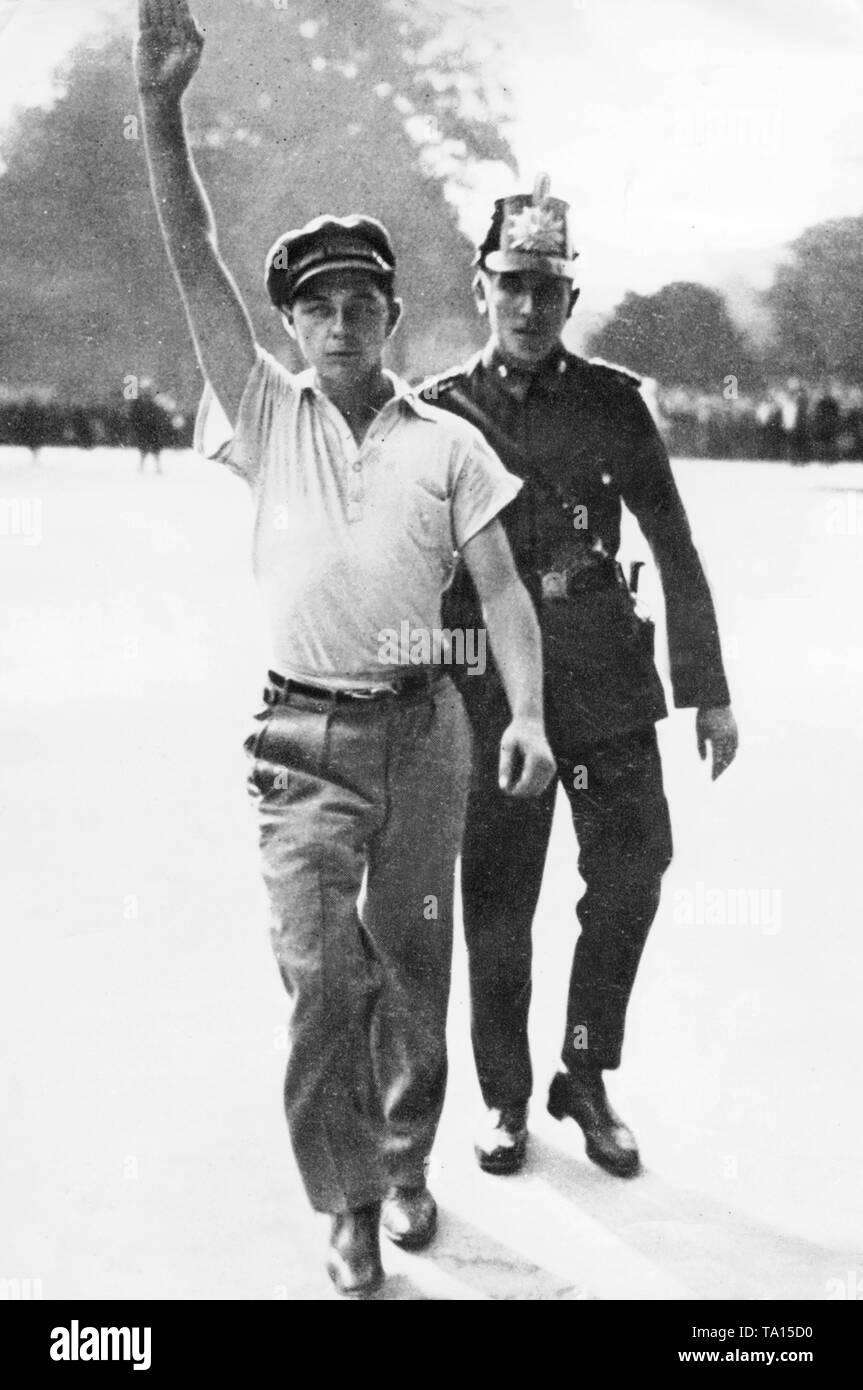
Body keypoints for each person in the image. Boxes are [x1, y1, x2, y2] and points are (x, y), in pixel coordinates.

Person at [134, 0, 555, 1298]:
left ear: (392, 316)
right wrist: (158, 110)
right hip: (299, 745)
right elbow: (195, 257)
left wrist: (526, 714)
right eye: (311, 306)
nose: (334, 322)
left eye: (358, 301)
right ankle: (350, 1197)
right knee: (324, 975)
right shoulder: (264, 414)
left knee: (413, 961)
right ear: (293, 326)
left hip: (425, 735)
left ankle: (404, 1158)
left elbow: (499, 586)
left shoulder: (447, 443)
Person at [426, 176, 739, 1180]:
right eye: (509, 283)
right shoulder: (438, 412)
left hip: (602, 682)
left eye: (546, 289)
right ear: (480, 286)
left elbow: (672, 544)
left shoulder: (613, 404)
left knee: (632, 870)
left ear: (571, 299)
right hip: (489, 692)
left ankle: (581, 1070)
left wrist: (709, 690)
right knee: (497, 901)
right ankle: (505, 1098)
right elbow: (410, 564)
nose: (526, 307)